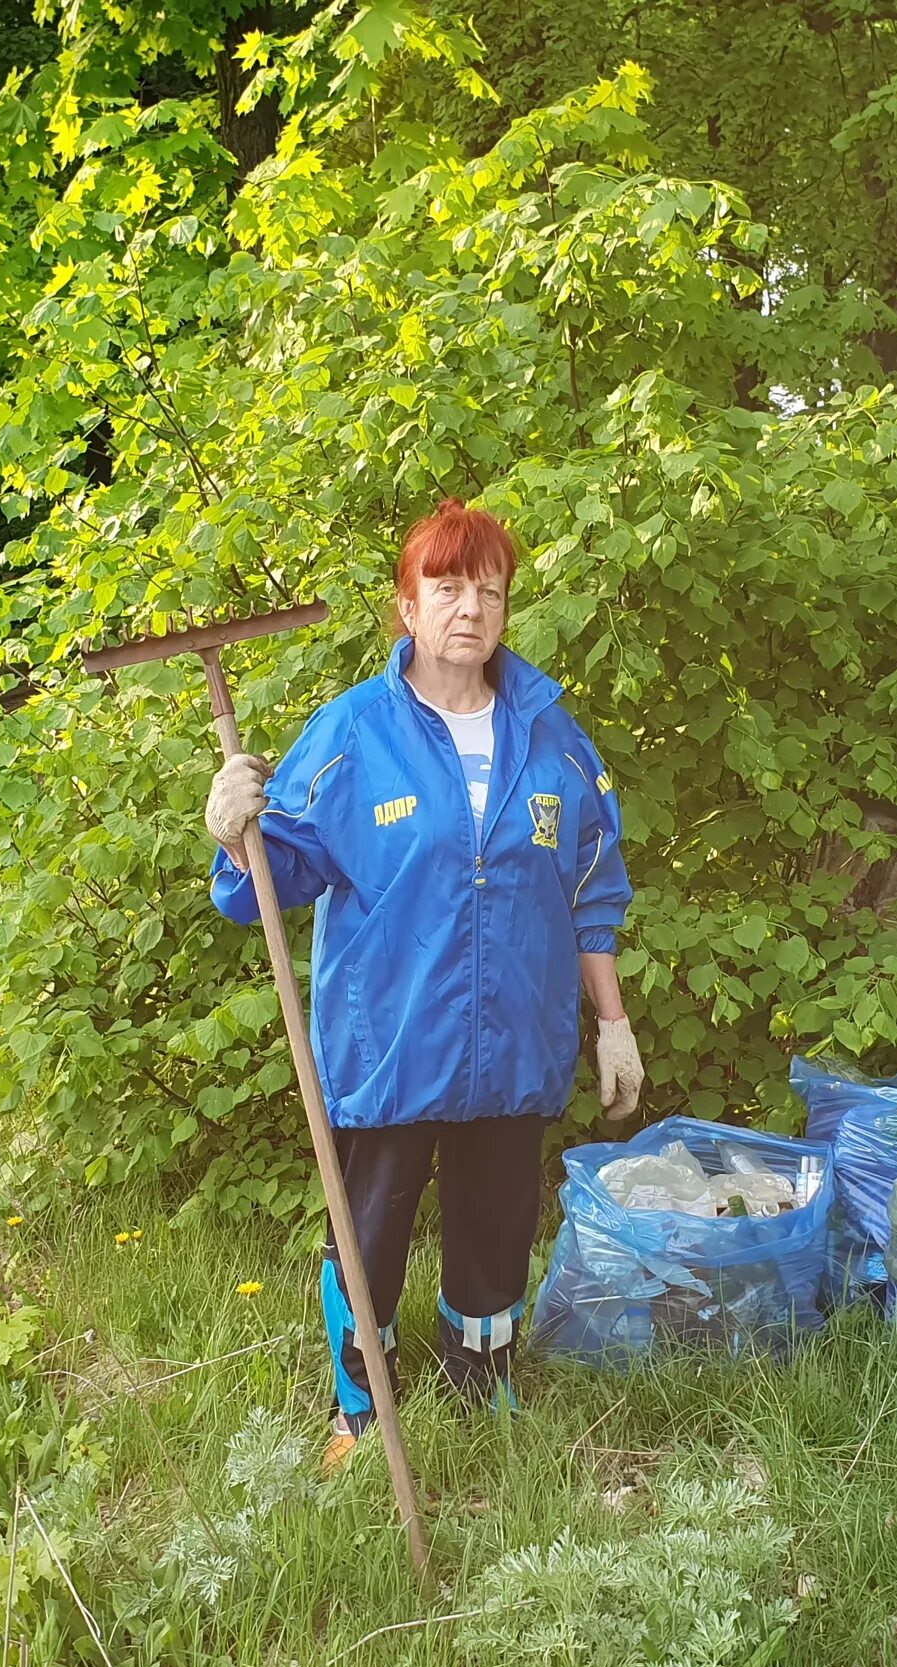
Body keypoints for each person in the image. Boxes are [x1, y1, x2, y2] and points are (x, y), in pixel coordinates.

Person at [205, 499, 643, 1467]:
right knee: (368, 1235)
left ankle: (479, 1384)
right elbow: (268, 886)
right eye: (445, 587)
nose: (469, 609)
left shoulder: (551, 736)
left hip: (513, 1040)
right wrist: (234, 827)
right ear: (407, 606)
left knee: (496, 1231)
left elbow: (590, 886)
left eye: (488, 589)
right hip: (388, 1042)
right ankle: (361, 1411)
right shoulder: (354, 733)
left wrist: (612, 1022)